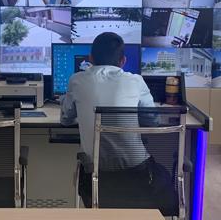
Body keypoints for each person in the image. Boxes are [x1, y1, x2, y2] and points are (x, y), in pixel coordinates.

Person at [60, 32, 170, 209]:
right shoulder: (136, 81)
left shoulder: (76, 80)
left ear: (90, 59)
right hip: (137, 175)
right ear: (123, 61)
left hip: (94, 176)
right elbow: (153, 120)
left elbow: (65, 119)